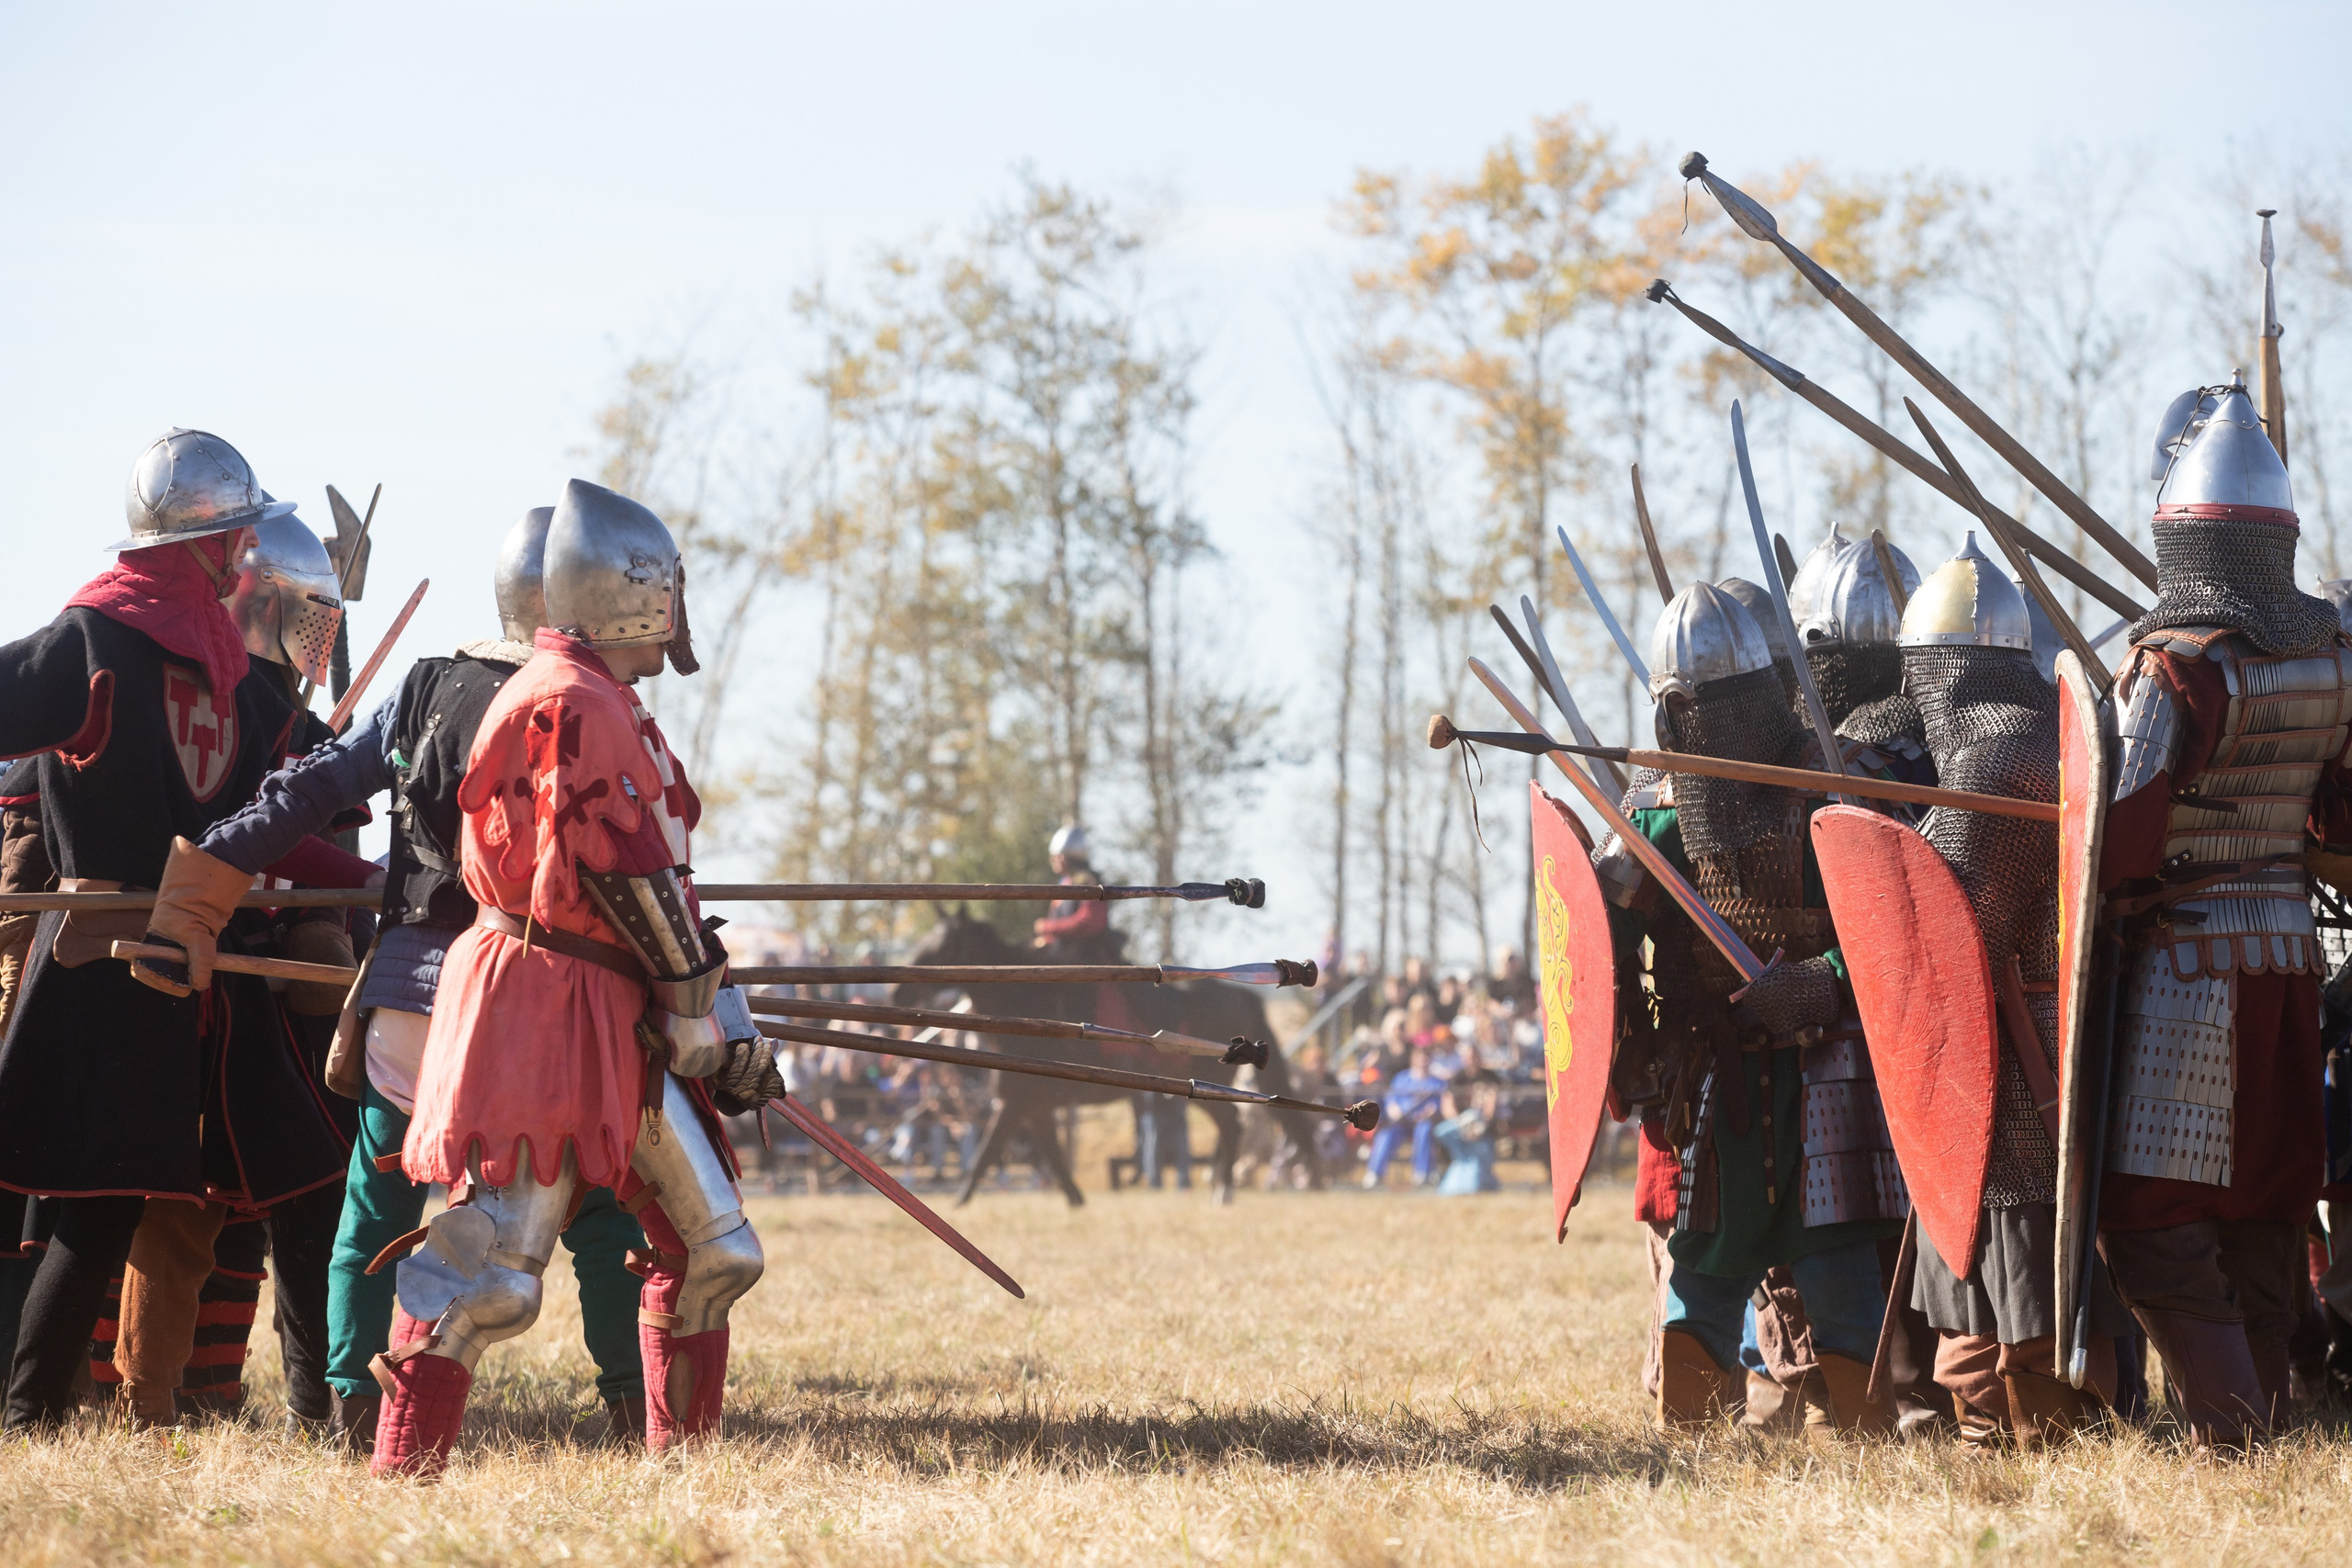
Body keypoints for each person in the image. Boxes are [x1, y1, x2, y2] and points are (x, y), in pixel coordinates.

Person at [139, 506, 650, 1450]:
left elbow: (309, 790)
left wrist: (207, 875)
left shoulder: (428, 687)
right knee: (596, 1202)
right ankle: (633, 1408)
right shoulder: (592, 702)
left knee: (374, 1206)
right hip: (540, 1008)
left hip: (417, 996)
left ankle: (351, 1410)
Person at [368, 479, 783, 1476]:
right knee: (488, 1281)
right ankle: (399, 1473)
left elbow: (659, 878)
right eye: (668, 591)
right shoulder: (569, 699)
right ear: (633, 591)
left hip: (608, 1002)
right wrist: (696, 1013)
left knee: (716, 1254)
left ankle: (681, 1475)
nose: (679, 611)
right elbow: (619, 870)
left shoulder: (601, 696)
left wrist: (716, 1011)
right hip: (544, 1007)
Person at [0, 429, 335, 1430]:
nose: (241, 558)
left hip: (206, 966)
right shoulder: (91, 640)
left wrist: (383, 876)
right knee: (94, 1211)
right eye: (232, 538)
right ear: (198, 544)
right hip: (103, 960)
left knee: (307, 1171)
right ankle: (28, 1420)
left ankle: (308, 1401)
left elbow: (272, 818)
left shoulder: (233, 665)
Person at [2094, 375, 2352, 1448]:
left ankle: (2231, 1420)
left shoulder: (2172, 669)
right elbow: (2339, 829)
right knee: (2265, 1201)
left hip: (2185, 971)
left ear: (2178, 537)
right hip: (2289, 959)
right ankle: (2267, 1415)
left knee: (2152, 1216)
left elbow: (2121, 840)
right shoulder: (2332, 662)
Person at [1589, 581, 1905, 1435]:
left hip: (1825, 1062)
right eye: (1689, 713)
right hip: (1718, 1070)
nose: (1699, 729)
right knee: (1707, 1255)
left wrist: (1817, 979)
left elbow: (1894, 926)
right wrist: (1639, 1036)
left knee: (1835, 1251)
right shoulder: (1658, 807)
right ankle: (1693, 1432)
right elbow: (1602, 936)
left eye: (1711, 708)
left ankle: (1864, 1437)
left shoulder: (1840, 786)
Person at [114, 512, 364, 1431]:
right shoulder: (211, 705)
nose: (320, 637)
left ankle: (230, 1395)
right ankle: (136, 1401)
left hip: (272, 1007)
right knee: (175, 1209)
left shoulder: (284, 717)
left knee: (267, 1206)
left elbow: (321, 862)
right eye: (313, 615)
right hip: (196, 993)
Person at [1886, 538, 2131, 1447]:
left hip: (2006, 1047)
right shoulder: (2059, 737)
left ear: (1938, 672)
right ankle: (2034, 1420)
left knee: (2002, 1242)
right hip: (2057, 1031)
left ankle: (2018, 1430)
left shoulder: (1989, 767)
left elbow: (1947, 938)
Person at [1363, 1044, 1445, 1187]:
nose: (1423, 1060)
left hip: (1423, 1123)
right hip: (1401, 1123)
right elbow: (1391, 1100)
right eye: (1419, 1056)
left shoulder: (1437, 1083)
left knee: (1424, 1130)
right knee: (1386, 1134)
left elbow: (1439, 1105)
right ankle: (1374, 1174)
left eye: (1426, 1057)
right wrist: (1393, 1109)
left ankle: (1421, 1174)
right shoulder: (1401, 1079)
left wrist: (1431, 1112)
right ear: (1413, 1059)